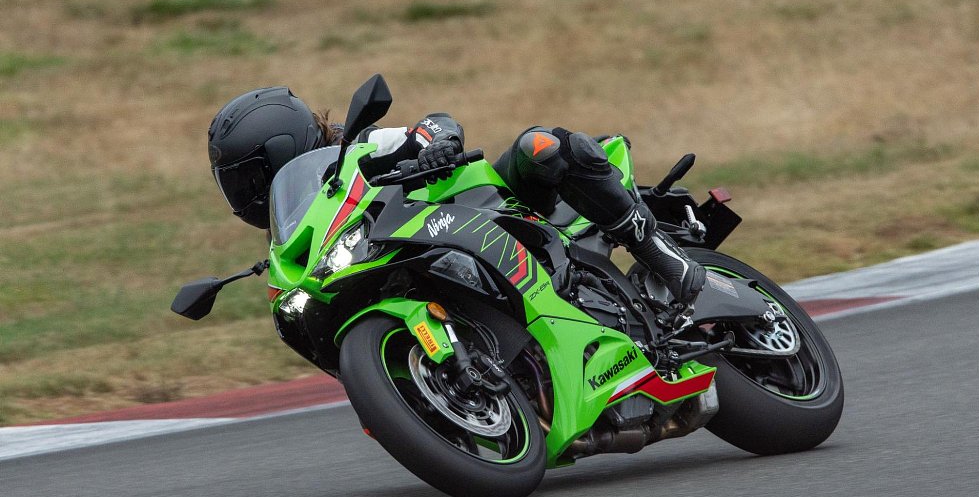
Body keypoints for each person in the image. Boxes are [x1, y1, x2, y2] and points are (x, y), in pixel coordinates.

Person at [207, 87, 705, 307]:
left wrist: (436, 143)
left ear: (282, 146)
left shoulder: (359, 149)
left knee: (541, 146)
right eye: (238, 187)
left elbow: (437, 123)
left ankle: (659, 254)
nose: (246, 195)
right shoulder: (302, 230)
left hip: (500, 209)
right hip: (432, 256)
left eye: (249, 179)